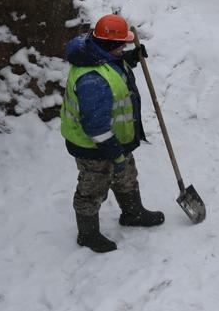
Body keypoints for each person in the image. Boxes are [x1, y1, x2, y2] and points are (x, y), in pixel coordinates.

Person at [61, 13, 164, 253]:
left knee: (126, 174)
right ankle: (87, 234)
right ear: (109, 45)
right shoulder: (92, 80)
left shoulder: (100, 54)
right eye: (123, 46)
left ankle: (133, 213)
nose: (125, 47)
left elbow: (113, 65)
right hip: (94, 145)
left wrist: (131, 57)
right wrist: (114, 152)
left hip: (116, 137)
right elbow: (95, 126)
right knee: (93, 187)